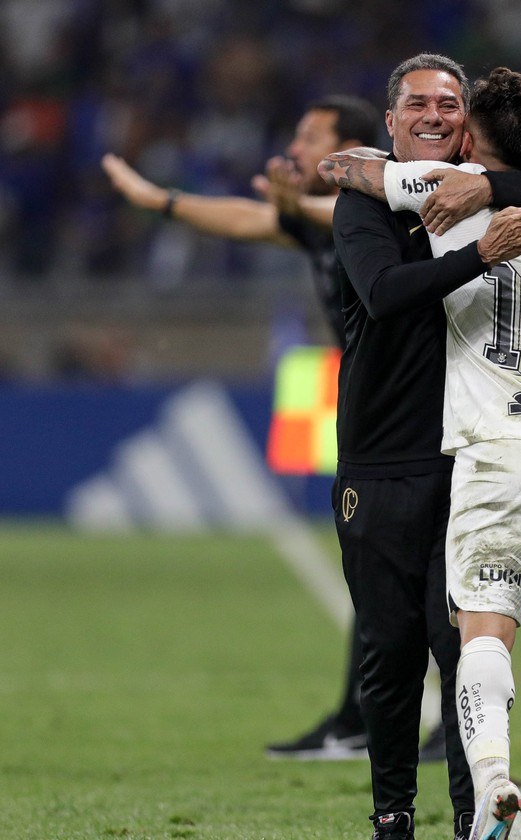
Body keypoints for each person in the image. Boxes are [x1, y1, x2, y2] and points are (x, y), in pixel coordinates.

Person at [323, 66, 521, 840]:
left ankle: (471, 815)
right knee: (387, 656)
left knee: (461, 647)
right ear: (391, 118)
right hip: (382, 460)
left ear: (466, 126)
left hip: (472, 455)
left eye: (446, 105)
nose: (431, 113)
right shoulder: (371, 203)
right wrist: (480, 249)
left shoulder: (496, 196)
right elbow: (384, 292)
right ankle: (392, 823)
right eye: (415, 102)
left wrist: (486, 188)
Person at [103, 95, 393, 763]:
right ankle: (359, 717)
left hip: (416, 414)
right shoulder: (316, 220)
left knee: (409, 571)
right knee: (376, 569)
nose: (294, 145)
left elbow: (317, 212)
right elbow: (244, 217)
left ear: (349, 149)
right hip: (368, 405)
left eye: (309, 134)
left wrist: (290, 207)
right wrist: (161, 201)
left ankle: (395, 721)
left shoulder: (379, 209)